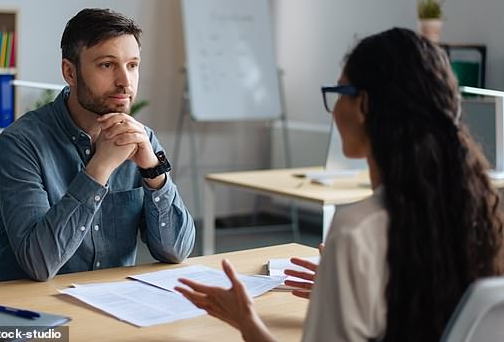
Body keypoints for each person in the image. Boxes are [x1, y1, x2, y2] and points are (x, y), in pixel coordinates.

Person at [175, 28, 504, 341]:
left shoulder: (356, 231)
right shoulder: (485, 212)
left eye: (338, 93)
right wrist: (343, 289)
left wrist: (247, 322)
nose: (334, 110)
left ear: (363, 105)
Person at [0, 8, 195, 282]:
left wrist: (153, 171)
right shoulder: (20, 143)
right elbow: (38, 263)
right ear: (70, 72)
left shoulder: (140, 138)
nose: (125, 81)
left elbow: (177, 250)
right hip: (32, 310)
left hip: (111, 306)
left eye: (132, 65)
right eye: (107, 65)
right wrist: (100, 167)